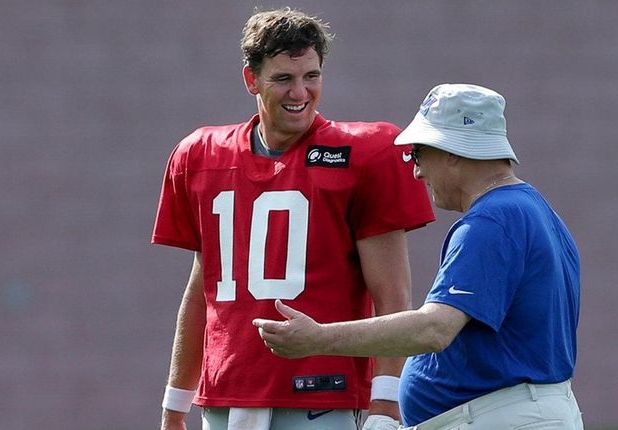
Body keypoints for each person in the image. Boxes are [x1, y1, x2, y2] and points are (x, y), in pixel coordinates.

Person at [151, 7, 435, 430]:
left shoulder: (364, 154)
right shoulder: (201, 154)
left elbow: (393, 295)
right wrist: (175, 401)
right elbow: (202, 289)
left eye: (311, 76)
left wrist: (386, 401)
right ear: (251, 80)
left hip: (323, 395)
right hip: (227, 393)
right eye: (283, 78)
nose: (300, 92)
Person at [253, 83, 584, 429]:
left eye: (419, 153)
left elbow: (435, 329)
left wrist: (318, 338)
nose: (416, 171)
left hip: (502, 417)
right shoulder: (532, 210)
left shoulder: (493, 219)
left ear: (453, 150)